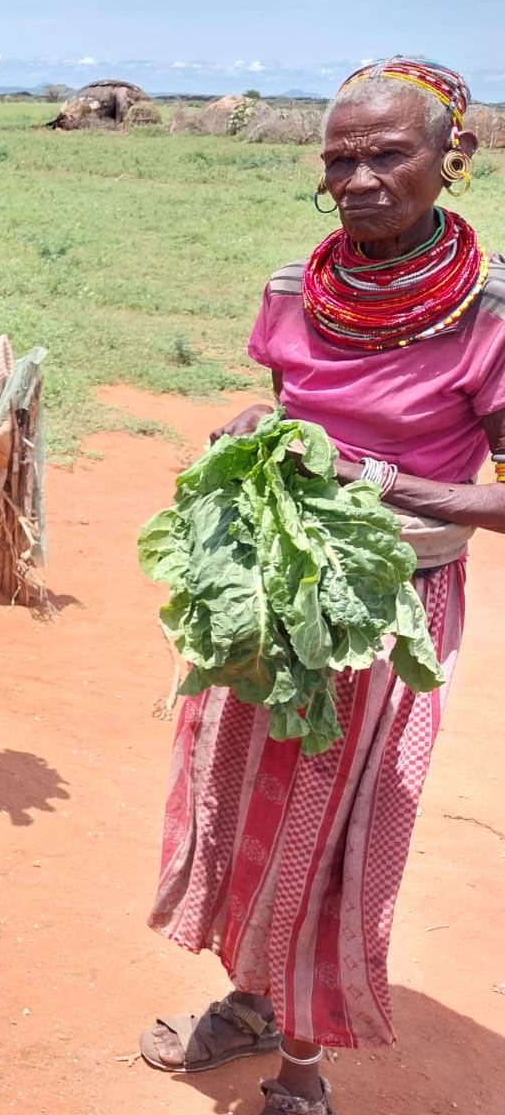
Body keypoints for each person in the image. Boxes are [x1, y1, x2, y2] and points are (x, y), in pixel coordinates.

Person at [139, 58, 505, 1115]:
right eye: (339, 157)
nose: (357, 178)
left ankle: (301, 1068)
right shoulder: (294, 289)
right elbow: (296, 416)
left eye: (386, 154)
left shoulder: (486, 314)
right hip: (269, 592)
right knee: (240, 804)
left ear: (452, 160)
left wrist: (384, 483)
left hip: (382, 615)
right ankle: (251, 1002)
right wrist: (262, 429)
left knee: (331, 828)